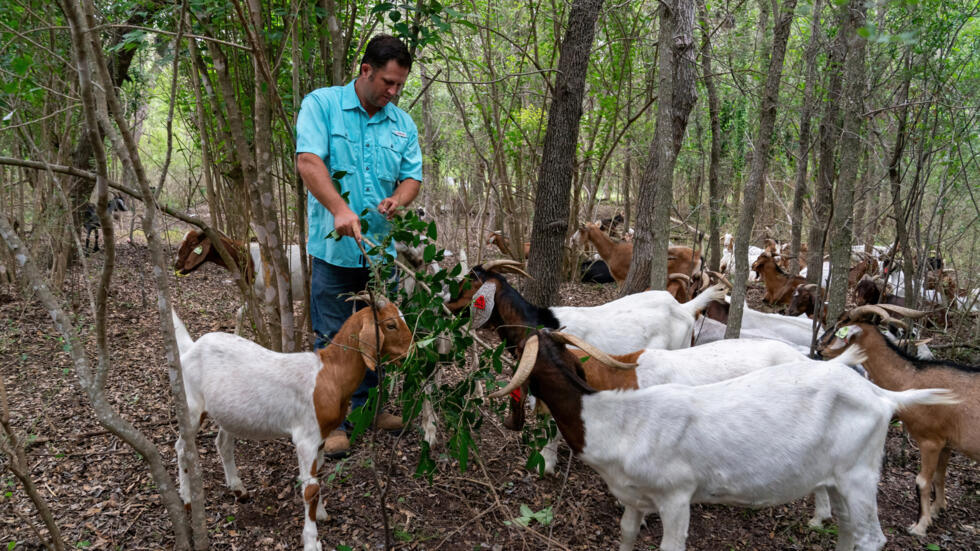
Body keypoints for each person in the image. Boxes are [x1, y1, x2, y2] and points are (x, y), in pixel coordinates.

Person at [296, 35, 422, 458]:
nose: (393, 91)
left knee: (378, 336)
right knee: (333, 336)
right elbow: (308, 161)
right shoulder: (322, 105)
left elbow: (412, 178)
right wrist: (338, 208)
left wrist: (398, 199)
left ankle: (370, 409)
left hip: (380, 253)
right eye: (387, 81)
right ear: (365, 70)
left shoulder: (402, 124)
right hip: (334, 253)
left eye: (400, 84)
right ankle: (332, 422)